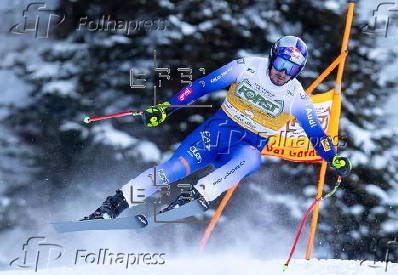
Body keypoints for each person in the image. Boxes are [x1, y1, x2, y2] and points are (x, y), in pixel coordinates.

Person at [82, 36, 352, 220]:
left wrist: (333, 158)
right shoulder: (245, 67)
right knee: (171, 171)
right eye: (281, 63)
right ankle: (112, 206)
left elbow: (317, 135)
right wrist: (167, 108)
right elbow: (201, 86)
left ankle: (193, 198)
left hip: (246, 147)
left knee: (251, 159)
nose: (283, 72)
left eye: (292, 69)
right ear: (272, 57)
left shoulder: (297, 98)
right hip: (215, 134)